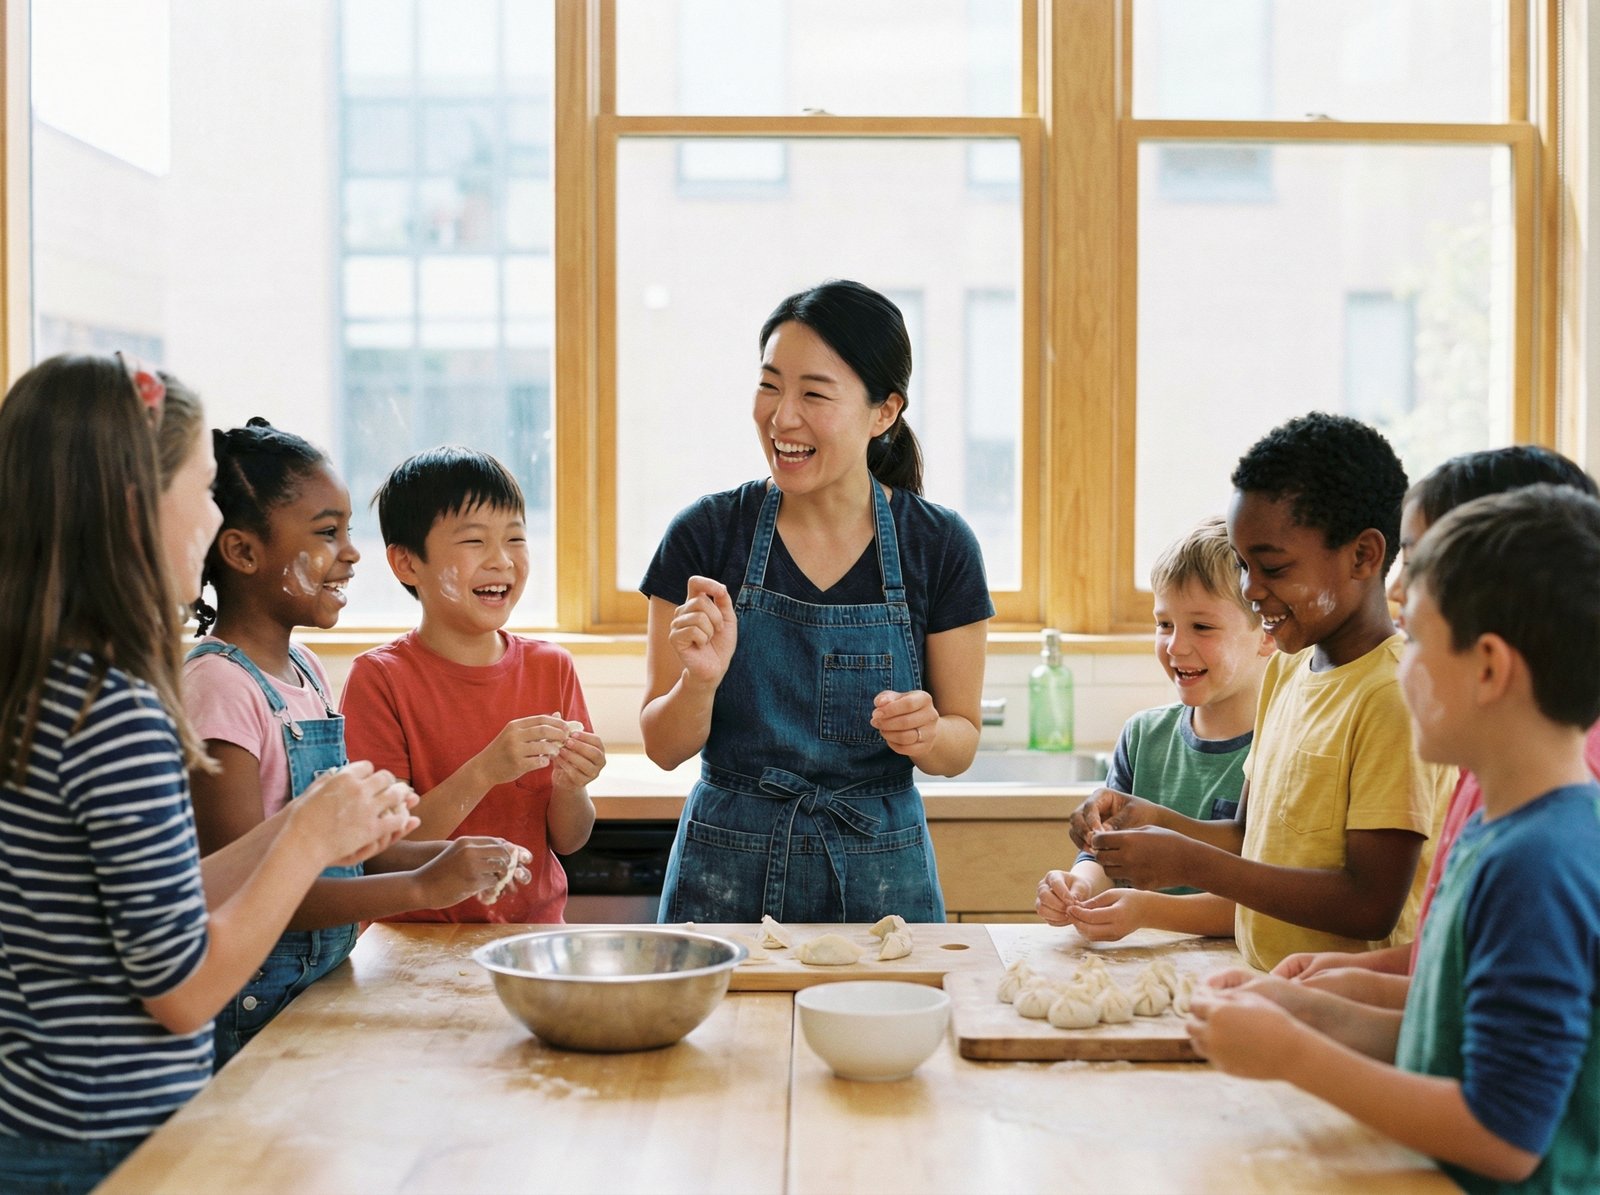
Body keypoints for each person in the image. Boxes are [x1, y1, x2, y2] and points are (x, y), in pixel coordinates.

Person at [0, 354, 414, 1195]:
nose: (211, 510)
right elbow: (183, 992)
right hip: (102, 1141)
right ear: (134, 506)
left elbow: (156, 894)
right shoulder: (113, 708)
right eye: (199, 487)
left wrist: (311, 826)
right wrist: (304, 836)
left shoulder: (49, 678)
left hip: (38, 1117)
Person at [1189, 485, 1600, 1193]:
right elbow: (1453, 1045)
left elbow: (1502, 1137)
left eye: (1419, 640)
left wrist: (1294, 1054)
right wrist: (1305, 1010)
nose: (1400, 663)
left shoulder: (1541, 863)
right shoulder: (1505, 830)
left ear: (1490, 668)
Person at [640, 279, 993, 923]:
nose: (782, 417)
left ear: (883, 412)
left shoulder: (937, 545)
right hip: (725, 867)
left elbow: (961, 741)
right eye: (771, 385)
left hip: (881, 871)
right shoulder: (706, 535)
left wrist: (927, 733)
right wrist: (699, 681)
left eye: (814, 393)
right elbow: (663, 746)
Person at [183, 418, 533, 1064]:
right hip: (251, 1027)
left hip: (315, 995)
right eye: (326, 532)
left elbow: (349, 854)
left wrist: (451, 859)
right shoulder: (219, 688)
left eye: (347, 531)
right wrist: (423, 886)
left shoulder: (308, 671)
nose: (350, 552)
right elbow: (247, 893)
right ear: (242, 551)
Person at [1069, 412, 1455, 970]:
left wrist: (1190, 865)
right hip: (1272, 982)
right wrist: (1149, 819)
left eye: (1271, 567)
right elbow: (1248, 834)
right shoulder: (1287, 671)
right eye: (1245, 565)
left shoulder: (1391, 697)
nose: (1251, 589)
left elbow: (1368, 904)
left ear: (1363, 556)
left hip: (1345, 997)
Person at [1272, 445, 1600, 1008]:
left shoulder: (1549, 817)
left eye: (1420, 559)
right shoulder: (1493, 778)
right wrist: (1357, 979)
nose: (1396, 587)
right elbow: (1461, 964)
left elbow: (1501, 1092)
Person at [340, 446, 601, 924]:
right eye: (474, 541)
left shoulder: (552, 667)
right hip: (414, 948)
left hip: (531, 940)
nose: (502, 560)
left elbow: (570, 839)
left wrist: (571, 786)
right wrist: (485, 770)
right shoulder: (379, 679)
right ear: (406, 563)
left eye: (516, 539)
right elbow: (383, 852)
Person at [1035, 516, 1272, 939]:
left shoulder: (1278, 745)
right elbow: (1102, 856)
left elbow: (1268, 901)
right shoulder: (1143, 736)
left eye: (1202, 626)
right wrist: (1080, 886)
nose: (1176, 646)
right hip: (1138, 962)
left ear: (1267, 634)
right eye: (1164, 624)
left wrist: (1147, 911)